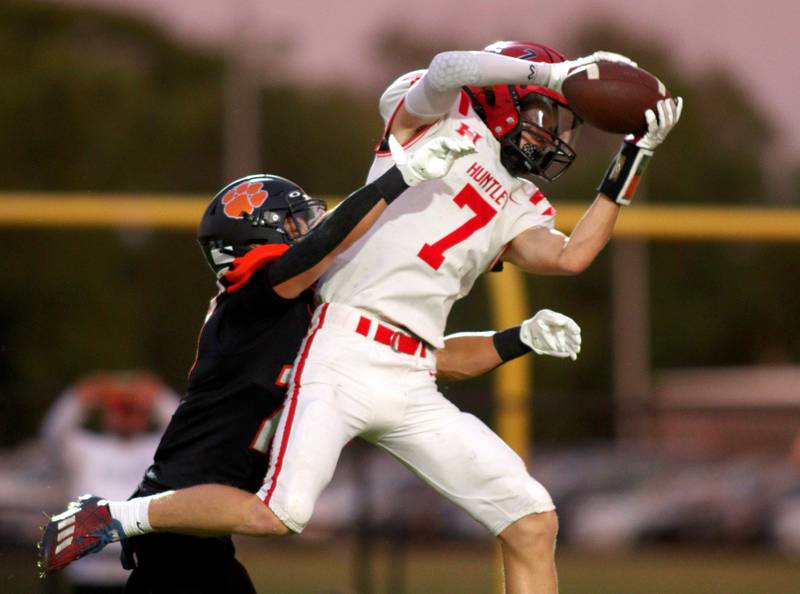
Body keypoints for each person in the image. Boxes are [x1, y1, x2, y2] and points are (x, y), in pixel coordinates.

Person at [38, 133, 583, 593]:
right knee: (280, 516)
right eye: (298, 223)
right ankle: (108, 514)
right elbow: (321, 247)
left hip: (206, 538)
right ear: (261, 238)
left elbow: (426, 361)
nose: (313, 226)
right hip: (177, 525)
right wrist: (395, 179)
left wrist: (519, 338)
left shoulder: (309, 316)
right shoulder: (252, 301)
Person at [40, 372, 178, 594]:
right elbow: (52, 434)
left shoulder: (155, 450)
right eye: (119, 410)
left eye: (133, 411)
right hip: (90, 570)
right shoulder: (84, 449)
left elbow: (182, 432)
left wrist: (158, 396)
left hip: (144, 568)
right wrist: (81, 396)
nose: (126, 416)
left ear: (145, 415)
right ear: (106, 414)